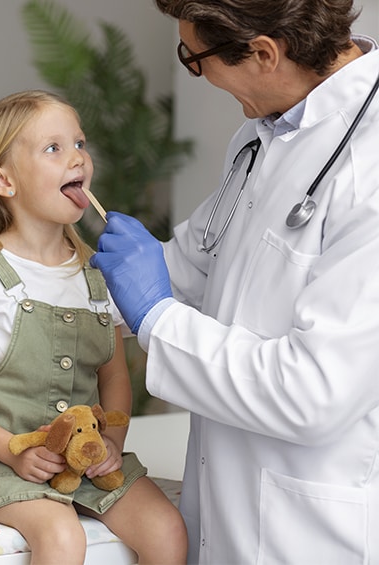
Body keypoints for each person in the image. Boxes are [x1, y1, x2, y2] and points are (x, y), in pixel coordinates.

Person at [90, 1, 379, 563]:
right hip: (225, 510)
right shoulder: (262, 137)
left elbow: (313, 393)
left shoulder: (370, 168)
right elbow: (194, 268)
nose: (197, 77)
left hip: (308, 533)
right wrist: (38, 298)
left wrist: (155, 315)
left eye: (194, 60)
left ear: (264, 53)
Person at [0, 90, 187, 565]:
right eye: (54, 148)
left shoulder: (96, 275)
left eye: (80, 143)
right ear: (4, 180)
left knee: (167, 529)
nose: (78, 158)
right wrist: (10, 452)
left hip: (81, 457)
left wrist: (112, 445)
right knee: (64, 539)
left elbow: (113, 377)